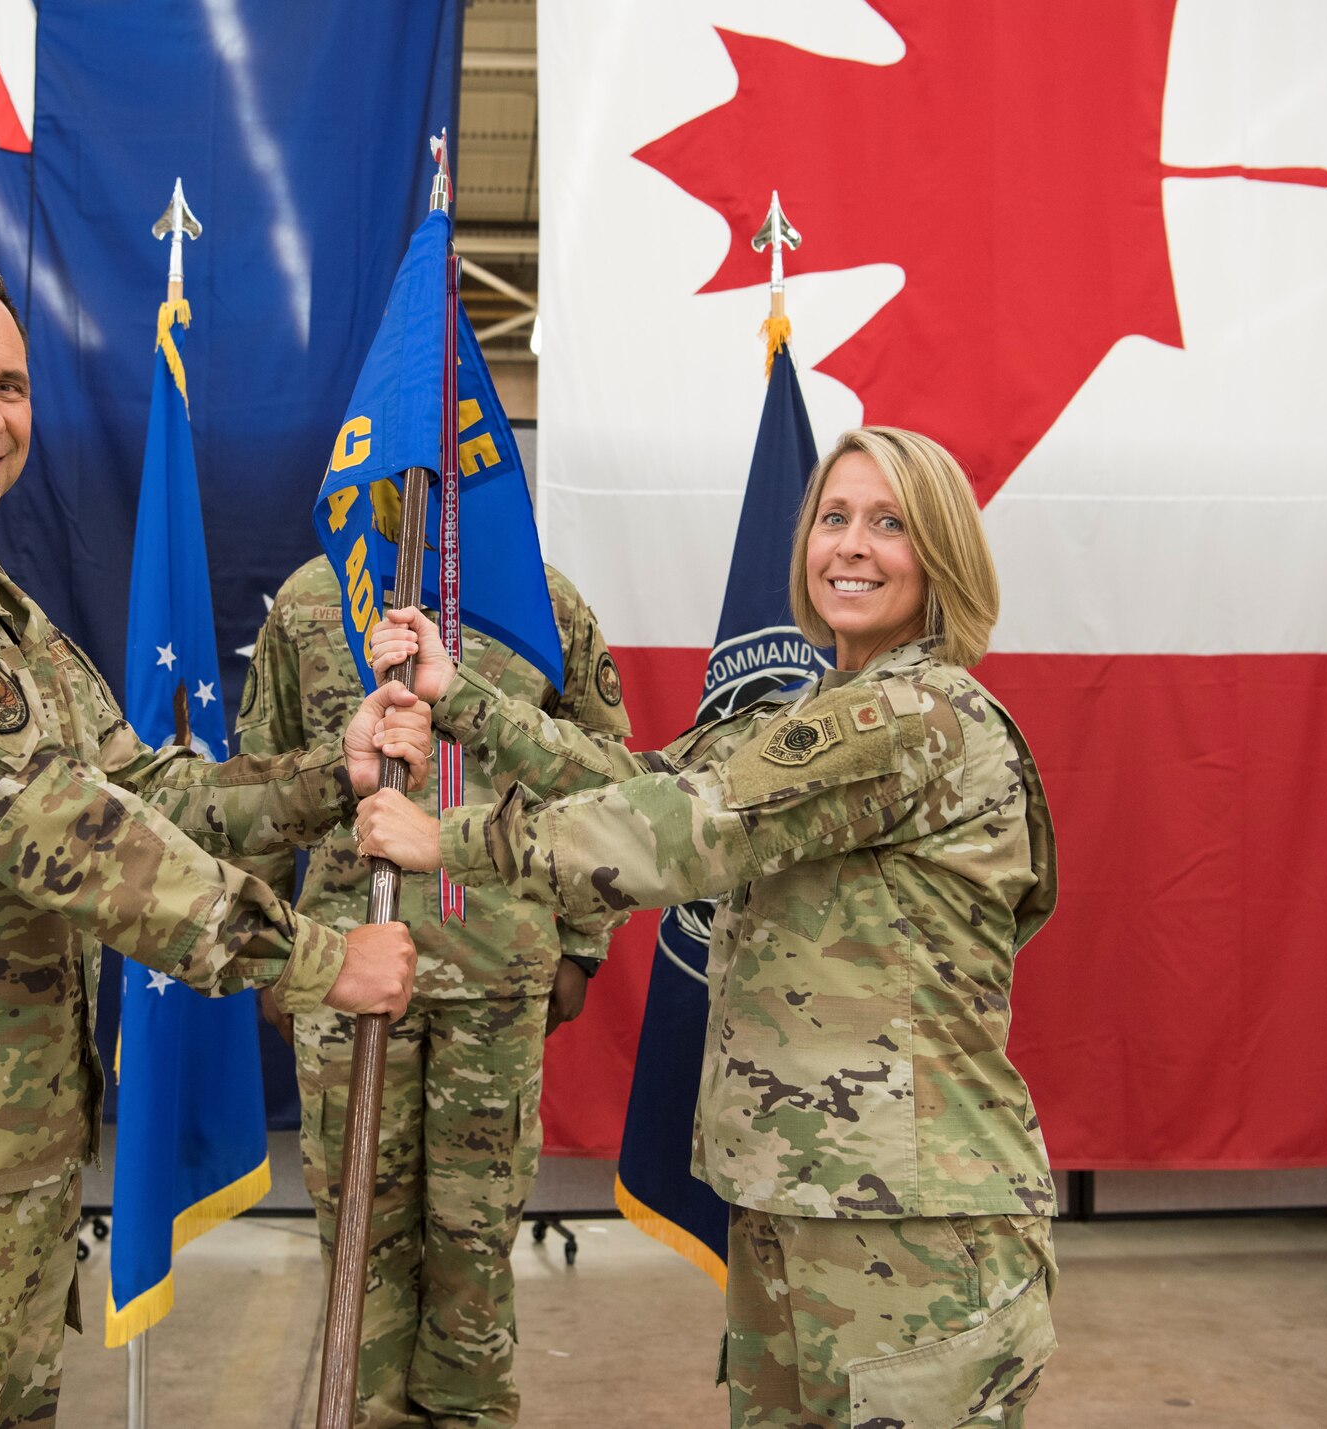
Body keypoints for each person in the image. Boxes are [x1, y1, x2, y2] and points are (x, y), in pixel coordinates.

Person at [0, 250, 429, 1429]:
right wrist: (316, 958)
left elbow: (142, 786)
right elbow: (73, 837)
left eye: (10, 386)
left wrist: (329, 775)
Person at [356, 427, 1060, 1429]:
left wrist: (449, 840)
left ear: (941, 553)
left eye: (888, 523)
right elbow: (646, 781)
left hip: (911, 1226)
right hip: (798, 1197)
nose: (850, 546)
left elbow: (689, 829)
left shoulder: (912, 718)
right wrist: (454, 692)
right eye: (832, 518)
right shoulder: (813, 712)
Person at [236, 555, 632, 1429]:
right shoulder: (310, 598)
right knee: (359, 1244)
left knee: (475, 1246)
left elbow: (608, 777)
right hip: (346, 974)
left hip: (499, 974)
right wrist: (271, 949)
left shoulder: (539, 598)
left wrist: (583, 945)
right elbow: (258, 769)